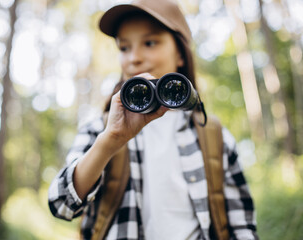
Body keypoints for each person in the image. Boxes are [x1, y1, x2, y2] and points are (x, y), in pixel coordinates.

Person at [48, 0, 259, 239]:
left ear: (180, 53)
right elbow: (61, 205)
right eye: (124, 48)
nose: (134, 58)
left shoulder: (215, 135)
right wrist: (110, 141)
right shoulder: (100, 129)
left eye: (149, 43)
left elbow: (242, 227)